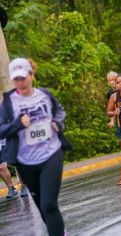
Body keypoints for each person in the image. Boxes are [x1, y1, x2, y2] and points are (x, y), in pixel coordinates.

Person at [0, 58, 66, 235]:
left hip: (51, 154)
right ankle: (59, 230)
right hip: (26, 161)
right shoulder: (7, 103)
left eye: (23, 78)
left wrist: (57, 123)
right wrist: (18, 124)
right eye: (16, 79)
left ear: (32, 75)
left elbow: (59, 112)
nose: (20, 83)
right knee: (43, 208)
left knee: (49, 204)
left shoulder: (45, 95)